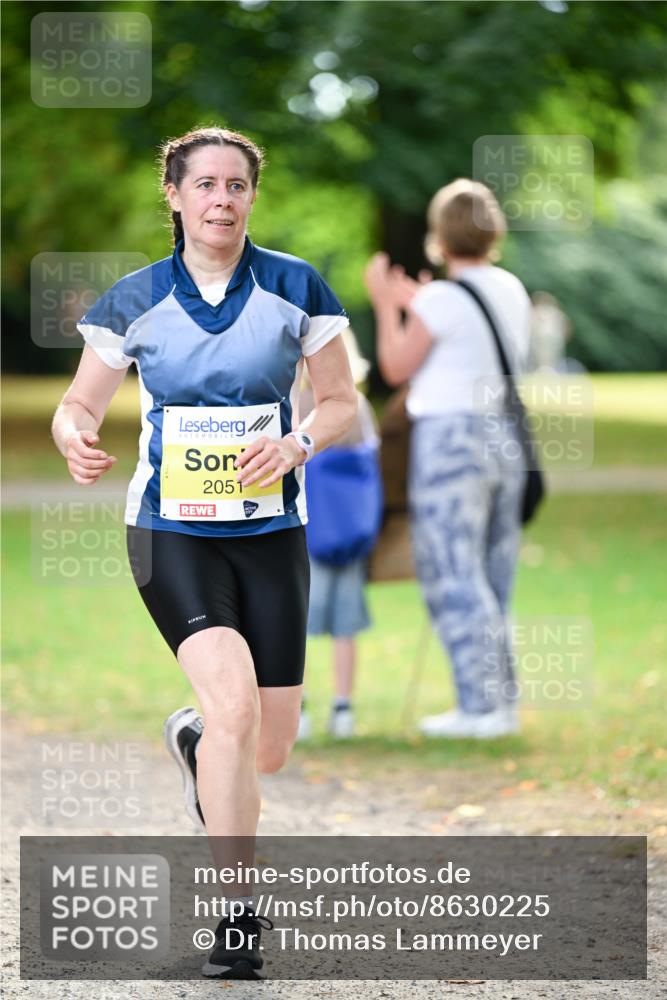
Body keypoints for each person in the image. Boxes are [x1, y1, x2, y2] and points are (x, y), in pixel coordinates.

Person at [51, 125, 356, 979]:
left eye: (237, 186)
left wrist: (296, 444)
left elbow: (338, 401)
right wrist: (73, 435)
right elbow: (78, 404)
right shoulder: (135, 298)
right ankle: (237, 917)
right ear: (176, 196)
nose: (222, 200)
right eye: (206, 185)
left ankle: (193, 742)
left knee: (269, 745)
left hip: (272, 535)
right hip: (170, 533)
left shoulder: (295, 286)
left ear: (251, 196)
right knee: (233, 709)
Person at [364, 178, 531, 739]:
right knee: (492, 573)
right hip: (504, 437)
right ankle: (501, 702)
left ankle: (479, 709)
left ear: (440, 234)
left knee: (453, 572)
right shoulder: (509, 288)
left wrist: (387, 306)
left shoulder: (440, 299)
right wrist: (421, 305)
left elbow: (395, 366)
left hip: (451, 442)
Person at [297, 329, 382, 740]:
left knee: (295, 623)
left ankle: (298, 709)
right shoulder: (358, 407)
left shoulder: (297, 405)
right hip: (350, 532)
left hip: (307, 530)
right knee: (345, 626)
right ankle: (343, 708)